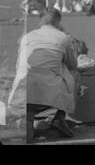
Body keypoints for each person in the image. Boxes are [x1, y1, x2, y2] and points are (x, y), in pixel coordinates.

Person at [10, 8, 79, 142]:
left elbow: (18, 65)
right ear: (58, 21)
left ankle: (30, 123)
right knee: (73, 73)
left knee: (28, 116)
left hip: (22, 87)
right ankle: (60, 117)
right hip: (47, 88)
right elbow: (73, 65)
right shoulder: (63, 37)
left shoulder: (27, 37)